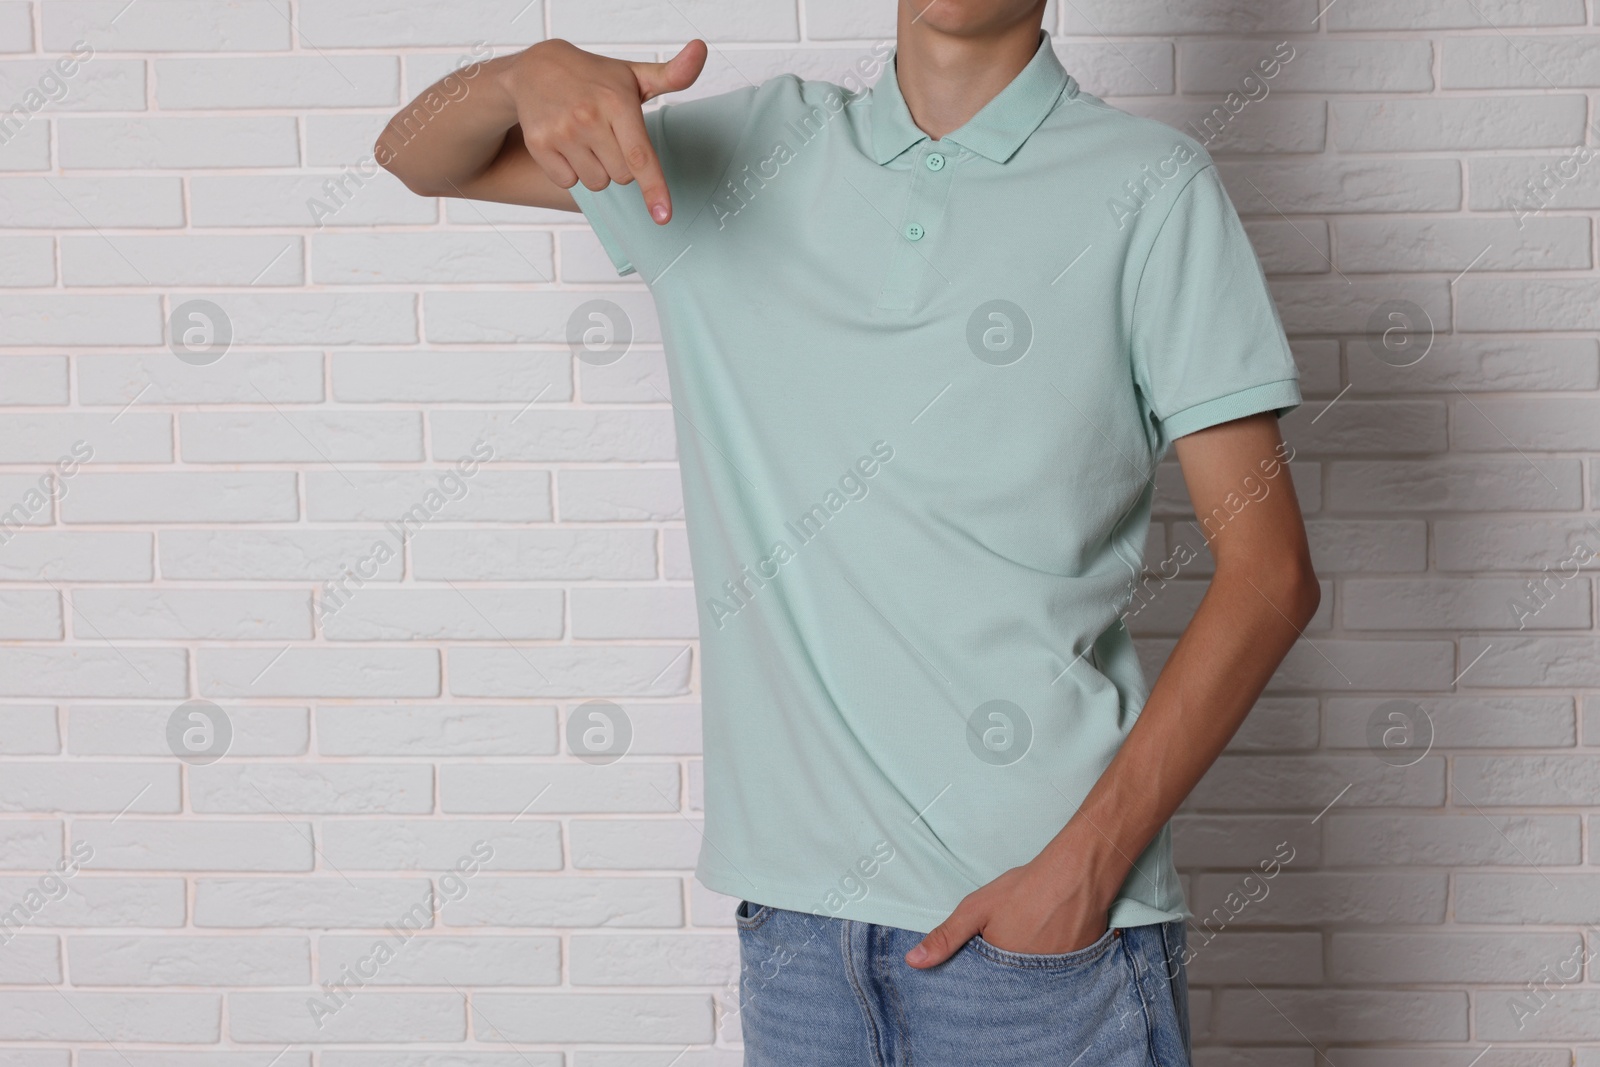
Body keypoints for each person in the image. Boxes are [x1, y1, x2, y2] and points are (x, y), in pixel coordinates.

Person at [378, 2, 1319, 1062]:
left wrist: (1080, 872)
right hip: (796, 947)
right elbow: (417, 154)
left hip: (1044, 946)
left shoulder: (1154, 187)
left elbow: (1268, 574)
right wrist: (527, 72)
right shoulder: (744, 152)